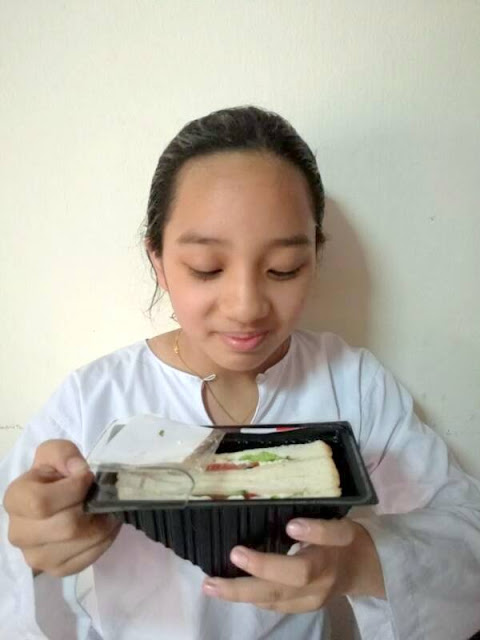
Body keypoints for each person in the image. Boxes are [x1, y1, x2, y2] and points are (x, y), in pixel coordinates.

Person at [1, 106, 479, 640]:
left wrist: (362, 562)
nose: (247, 306)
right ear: (158, 261)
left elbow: (466, 531)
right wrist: (36, 548)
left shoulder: (353, 384)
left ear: (316, 256)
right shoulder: (92, 400)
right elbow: (10, 563)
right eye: (206, 269)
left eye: (283, 270)